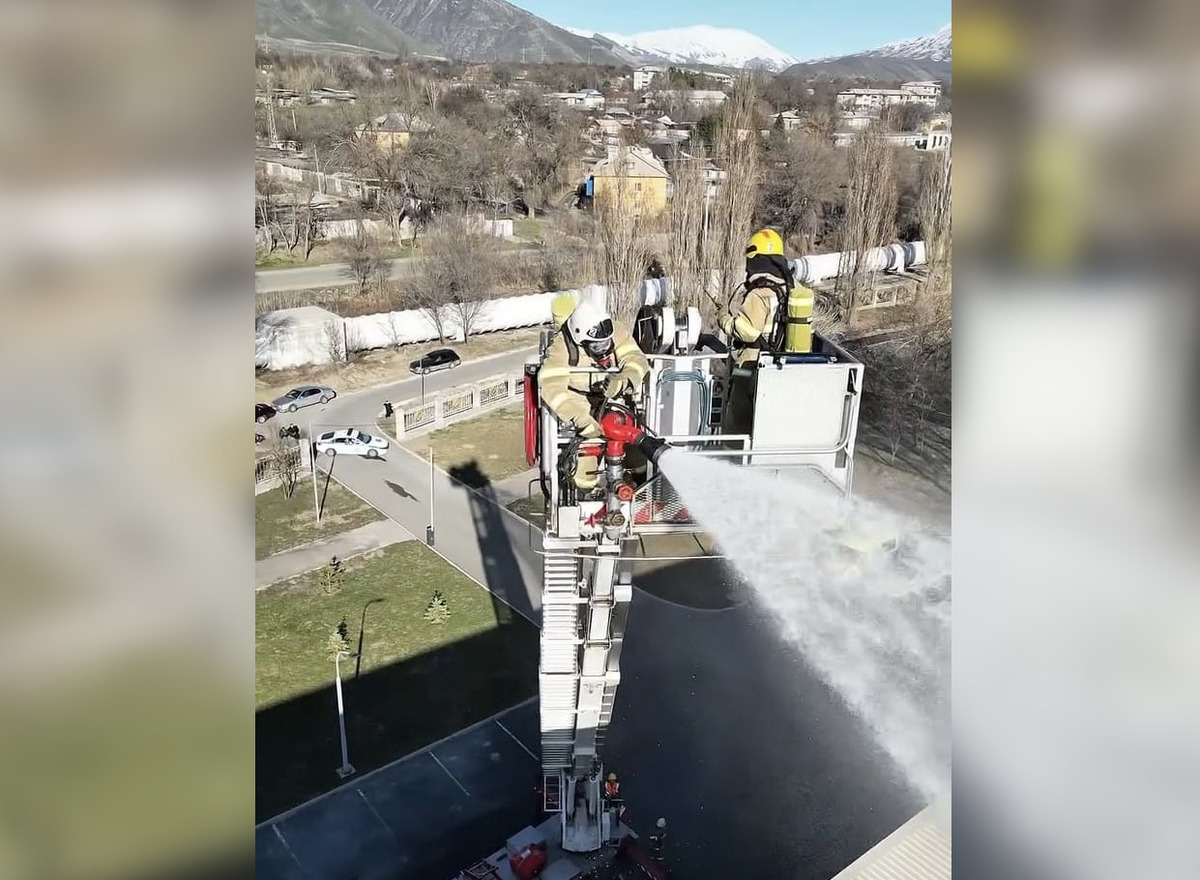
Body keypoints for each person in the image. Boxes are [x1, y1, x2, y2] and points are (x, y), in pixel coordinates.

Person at [538, 298, 650, 494]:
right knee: (584, 468)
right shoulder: (562, 346)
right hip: (578, 398)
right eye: (597, 347)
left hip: (613, 395)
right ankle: (586, 495)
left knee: (638, 455)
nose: (605, 351)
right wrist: (580, 419)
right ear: (581, 341)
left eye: (607, 343)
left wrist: (623, 380)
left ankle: (639, 487)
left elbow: (636, 359)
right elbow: (551, 386)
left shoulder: (616, 331)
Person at [718, 228, 815, 432]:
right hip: (779, 363)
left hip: (752, 363)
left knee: (739, 412)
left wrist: (724, 320)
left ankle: (735, 447)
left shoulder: (760, 293)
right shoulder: (790, 286)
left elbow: (747, 332)